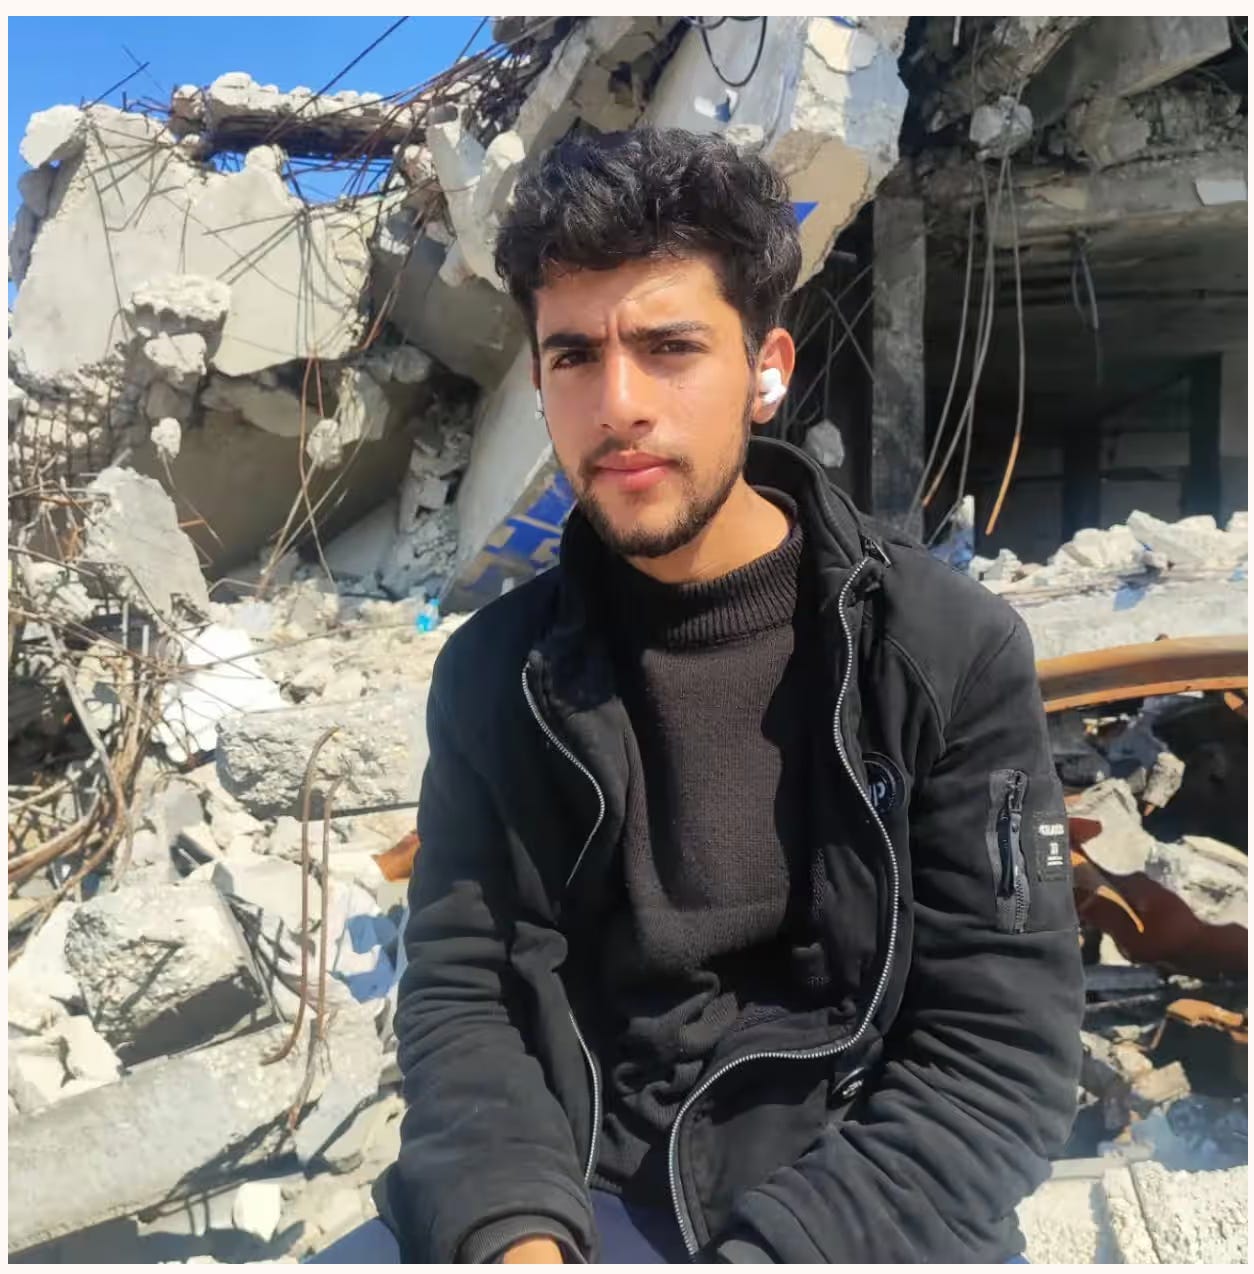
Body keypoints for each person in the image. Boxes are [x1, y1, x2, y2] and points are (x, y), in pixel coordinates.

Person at [354, 127, 1083, 1264]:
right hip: (577, 1187)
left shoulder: (943, 653)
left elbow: (999, 1057)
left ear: (768, 369)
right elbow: (465, 992)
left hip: (856, 1202)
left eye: (669, 346)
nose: (619, 403)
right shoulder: (499, 676)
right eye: (574, 358)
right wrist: (512, 1230)